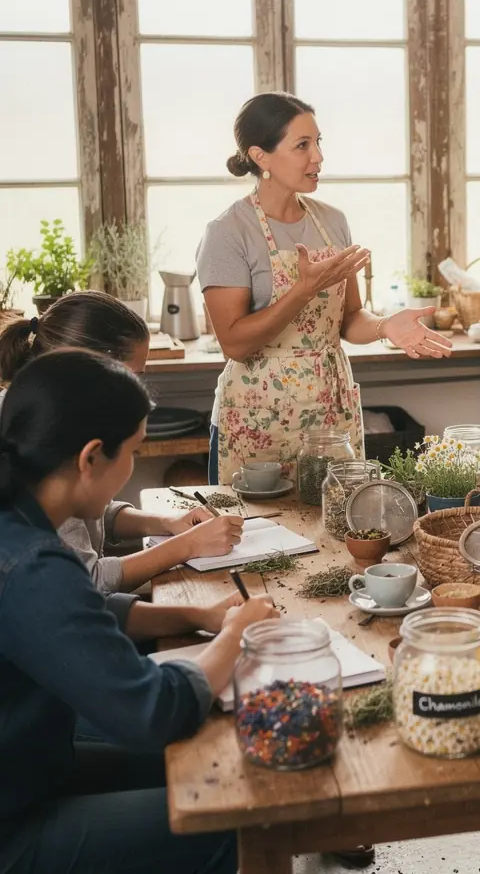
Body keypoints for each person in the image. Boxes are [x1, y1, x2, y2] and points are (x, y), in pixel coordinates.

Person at [0, 348, 279, 874]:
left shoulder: (20, 521)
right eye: (132, 450)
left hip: (33, 763)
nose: (132, 466)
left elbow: (79, 617)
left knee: (207, 761)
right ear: (90, 457)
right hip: (14, 823)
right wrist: (238, 635)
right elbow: (154, 711)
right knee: (234, 814)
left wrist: (193, 619)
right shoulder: (34, 564)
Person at [199, 92, 452, 485]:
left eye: (318, 143)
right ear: (260, 156)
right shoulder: (229, 232)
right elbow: (234, 342)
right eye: (302, 145)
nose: (317, 157)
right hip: (256, 417)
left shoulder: (332, 222)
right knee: (257, 534)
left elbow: (349, 319)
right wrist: (302, 291)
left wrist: (386, 326)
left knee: (333, 525)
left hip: (331, 414)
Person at [0, 292, 246, 640]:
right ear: (94, 368)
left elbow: (89, 516)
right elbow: (87, 583)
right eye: (133, 376)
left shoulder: (52, 412)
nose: (137, 390)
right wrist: (187, 545)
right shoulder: (44, 436)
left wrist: (167, 523)